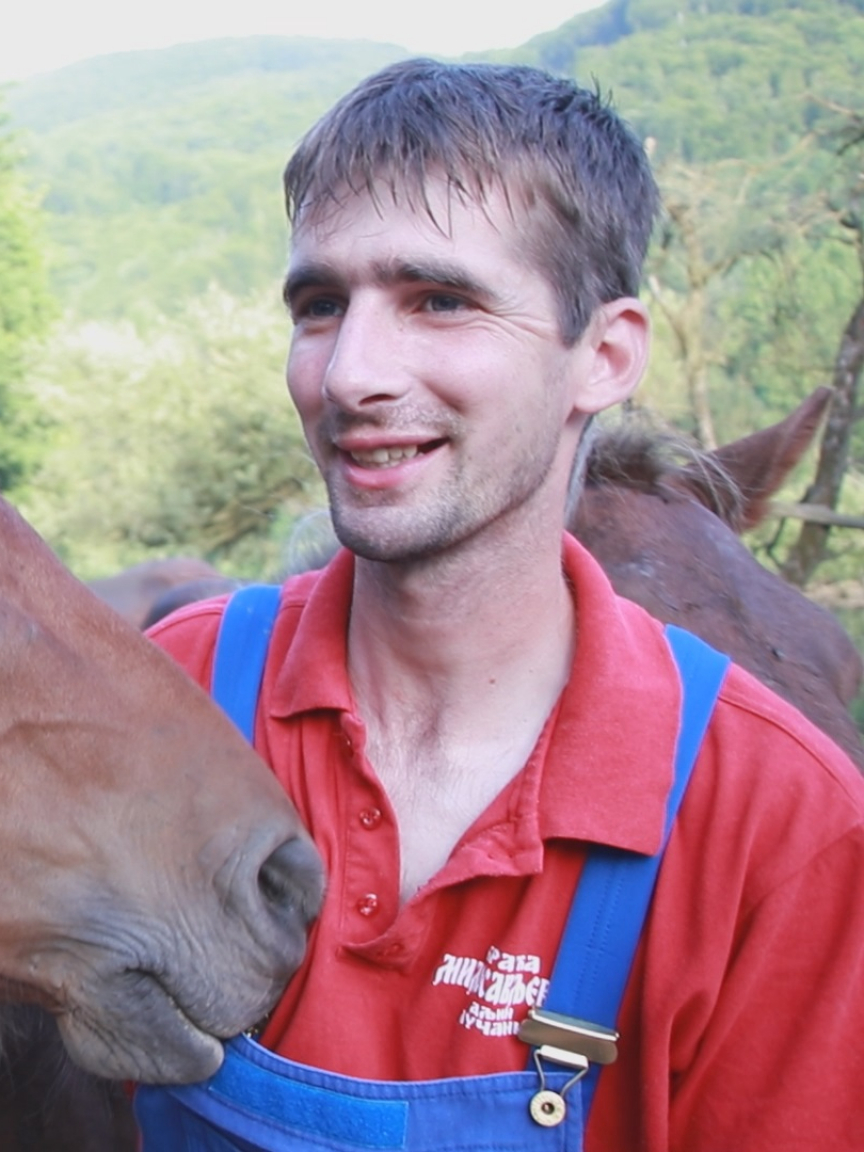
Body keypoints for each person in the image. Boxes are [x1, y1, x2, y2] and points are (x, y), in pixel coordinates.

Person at [132, 60, 864, 1150]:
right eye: (320, 305)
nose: (349, 376)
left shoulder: (777, 819)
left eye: (440, 301)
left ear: (603, 356)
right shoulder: (170, 695)